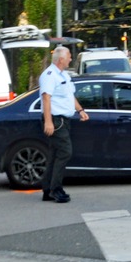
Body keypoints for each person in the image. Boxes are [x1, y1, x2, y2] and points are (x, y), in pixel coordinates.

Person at [39, 45, 88, 203]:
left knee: (55, 155)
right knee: (65, 152)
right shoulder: (49, 75)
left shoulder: (64, 75)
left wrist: (80, 110)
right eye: (68, 56)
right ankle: (56, 189)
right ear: (61, 59)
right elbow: (46, 98)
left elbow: (69, 96)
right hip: (55, 120)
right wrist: (48, 121)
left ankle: (47, 189)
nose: (71, 59)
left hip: (63, 120)